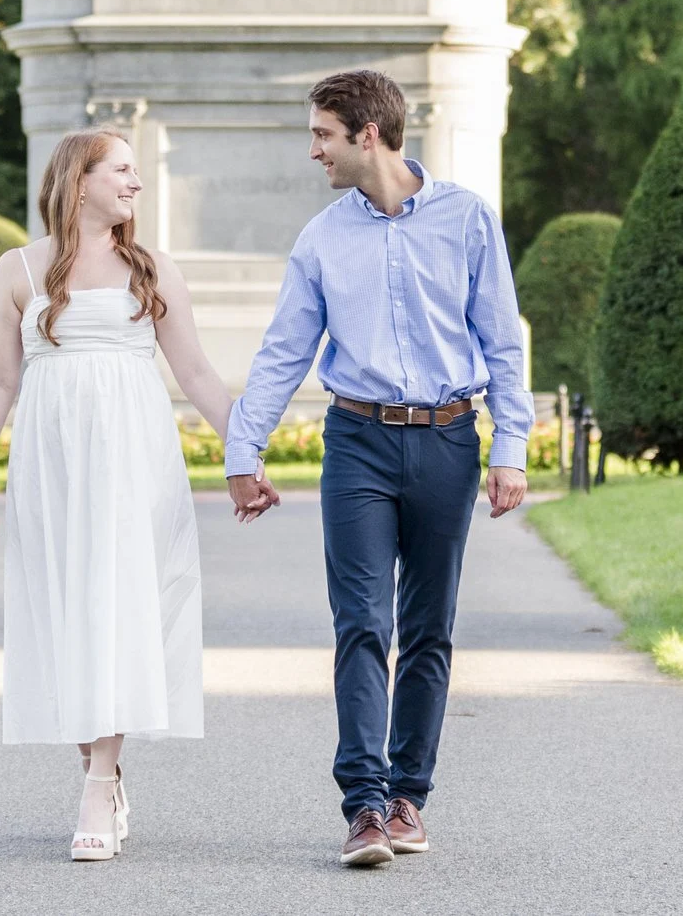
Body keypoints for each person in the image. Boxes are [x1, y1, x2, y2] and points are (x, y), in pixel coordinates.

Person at [227, 68, 532, 867]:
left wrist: (511, 448)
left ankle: (408, 798)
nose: (314, 150)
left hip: (447, 441)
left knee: (429, 630)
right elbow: (283, 350)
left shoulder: (467, 219)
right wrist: (242, 449)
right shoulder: (323, 237)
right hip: (356, 440)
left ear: (368, 134)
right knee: (362, 622)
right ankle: (363, 804)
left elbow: (502, 339)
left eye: (323, 133)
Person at [0, 128, 247, 862]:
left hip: (132, 456)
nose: (136, 182)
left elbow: (199, 375)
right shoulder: (18, 269)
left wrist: (244, 452)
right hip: (52, 464)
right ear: (78, 180)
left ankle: (95, 782)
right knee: (68, 613)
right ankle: (104, 766)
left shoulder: (151, 269)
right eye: (121, 169)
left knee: (117, 606)